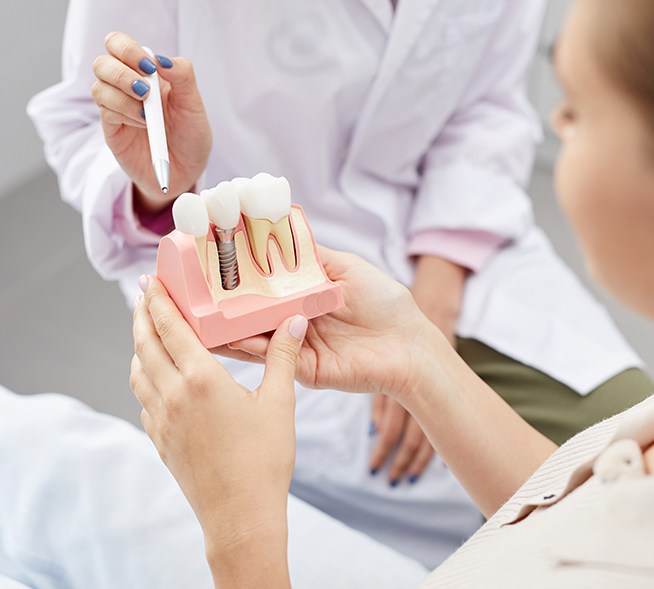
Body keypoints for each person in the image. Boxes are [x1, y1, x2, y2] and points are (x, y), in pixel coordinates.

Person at [26, 0, 651, 570]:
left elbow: (487, 105)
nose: (557, 118)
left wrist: (242, 531)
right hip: (266, 281)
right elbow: (607, 526)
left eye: (575, 110)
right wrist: (418, 356)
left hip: (463, 258)